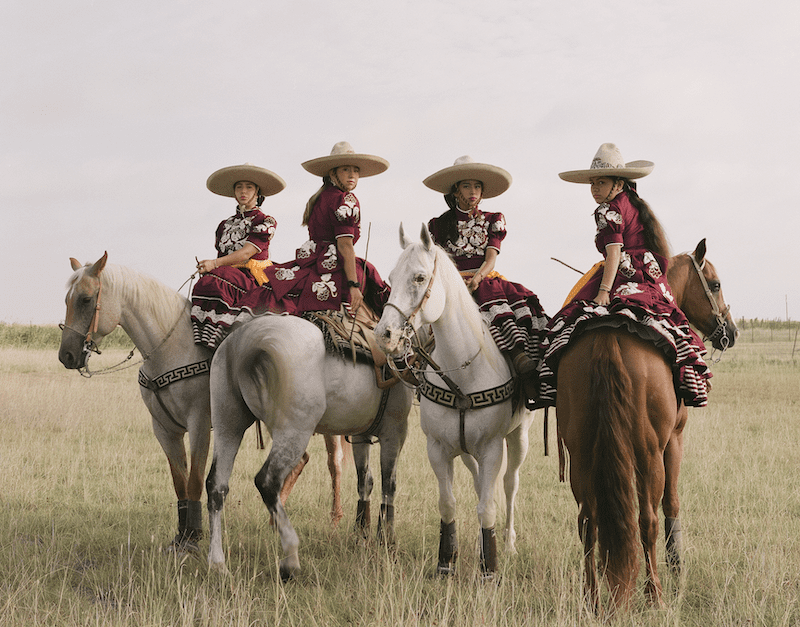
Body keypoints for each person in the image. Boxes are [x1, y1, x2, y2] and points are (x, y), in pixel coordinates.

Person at [538, 143, 711, 407]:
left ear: (618, 183)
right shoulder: (633, 202)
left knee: (568, 321)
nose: (595, 188)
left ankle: (549, 386)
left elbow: (615, 254)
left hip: (623, 273)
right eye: (592, 182)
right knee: (668, 319)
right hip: (650, 276)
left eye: (601, 182)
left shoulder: (608, 210)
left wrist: (604, 290)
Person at [424, 156, 549, 406]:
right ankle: (418, 374)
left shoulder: (494, 219)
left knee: (502, 314)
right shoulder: (437, 225)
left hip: (483, 280)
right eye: (467, 186)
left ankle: (520, 364)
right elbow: (436, 264)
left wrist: (477, 278)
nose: (473, 192)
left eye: (477, 187)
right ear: (456, 190)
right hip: (451, 285)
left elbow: (491, 259)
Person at [263, 141, 391, 317]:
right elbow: (345, 246)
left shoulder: (319, 197)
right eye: (345, 169)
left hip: (312, 259)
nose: (352, 174)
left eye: (355, 170)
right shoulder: (346, 199)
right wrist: (353, 285)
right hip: (334, 260)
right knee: (369, 281)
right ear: (333, 172)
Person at [191, 162, 286, 349]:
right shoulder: (224, 224)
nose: (243, 191)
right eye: (239, 187)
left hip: (252, 276)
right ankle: (202, 337)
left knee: (217, 280)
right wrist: (210, 267)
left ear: (257, 191)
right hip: (225, 274)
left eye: (249, 187)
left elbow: (246, 254)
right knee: (207, 282)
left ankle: (220, 338)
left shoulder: (265, 221)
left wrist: (214, 264)